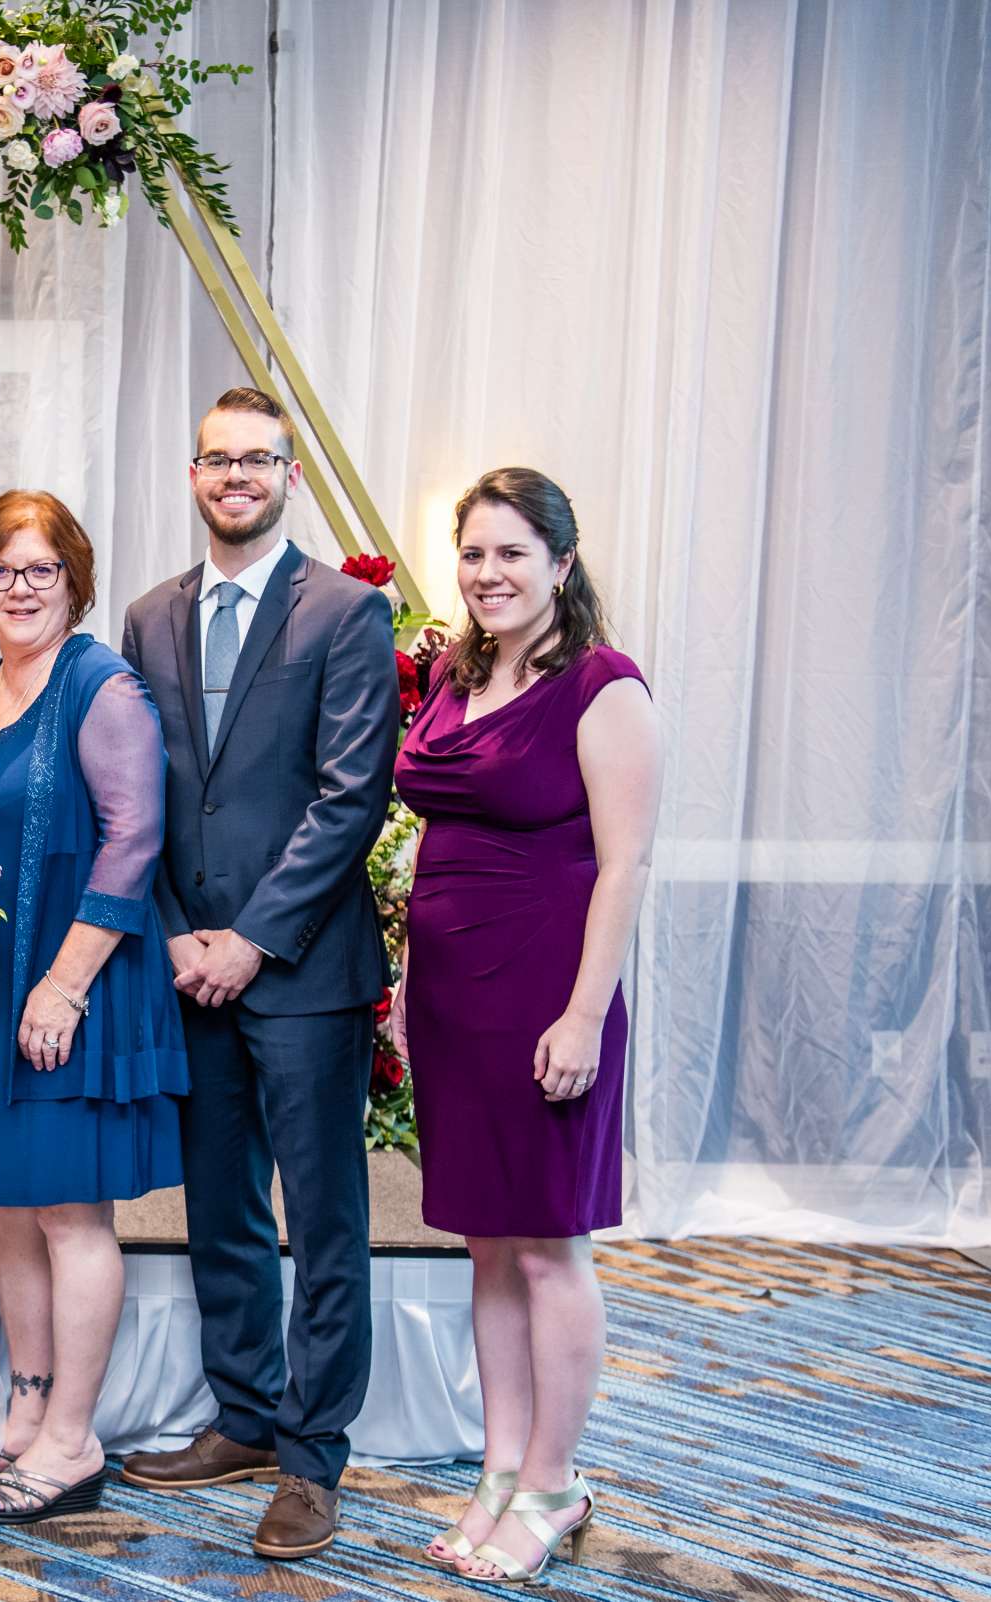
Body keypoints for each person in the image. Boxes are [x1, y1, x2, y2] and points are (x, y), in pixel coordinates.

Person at [116, 388, 399, 1561]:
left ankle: (313, 1454)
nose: (236, 476)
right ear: (192, 474)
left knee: (322, 1217)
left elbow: (352, 798)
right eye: (216, 459)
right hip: (187, 966)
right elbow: (139, 794)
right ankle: (240, 1413)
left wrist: (253, 938)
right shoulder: (148, 616)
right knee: (220, 1205)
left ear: (288, 476)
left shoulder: (347, 613)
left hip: (301, 969)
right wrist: (180, 929)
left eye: (257, 460)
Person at [391, 468, 656, 1585]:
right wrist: (407, 989)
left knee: (549, 1246)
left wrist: (586, 1014)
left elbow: (626, 862)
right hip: (453, 996)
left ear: (561, 562)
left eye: (511, 554)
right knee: (487, 1246)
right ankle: (499, 1468)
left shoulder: (604, 686)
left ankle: (553, 1480)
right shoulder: (456, 676)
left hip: (549, 993)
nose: (488, 574)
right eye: (474, 554)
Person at [0, 490, 188, 1526]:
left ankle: (75, 1438)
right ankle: (28, 1405)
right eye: (2, 570)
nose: (22, 587)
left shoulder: (103, 687)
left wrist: (65, 982)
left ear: (75, 580)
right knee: (11, 1212)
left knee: (72, 1214)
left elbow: (135, 837)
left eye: (42, 569)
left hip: (73, 984)